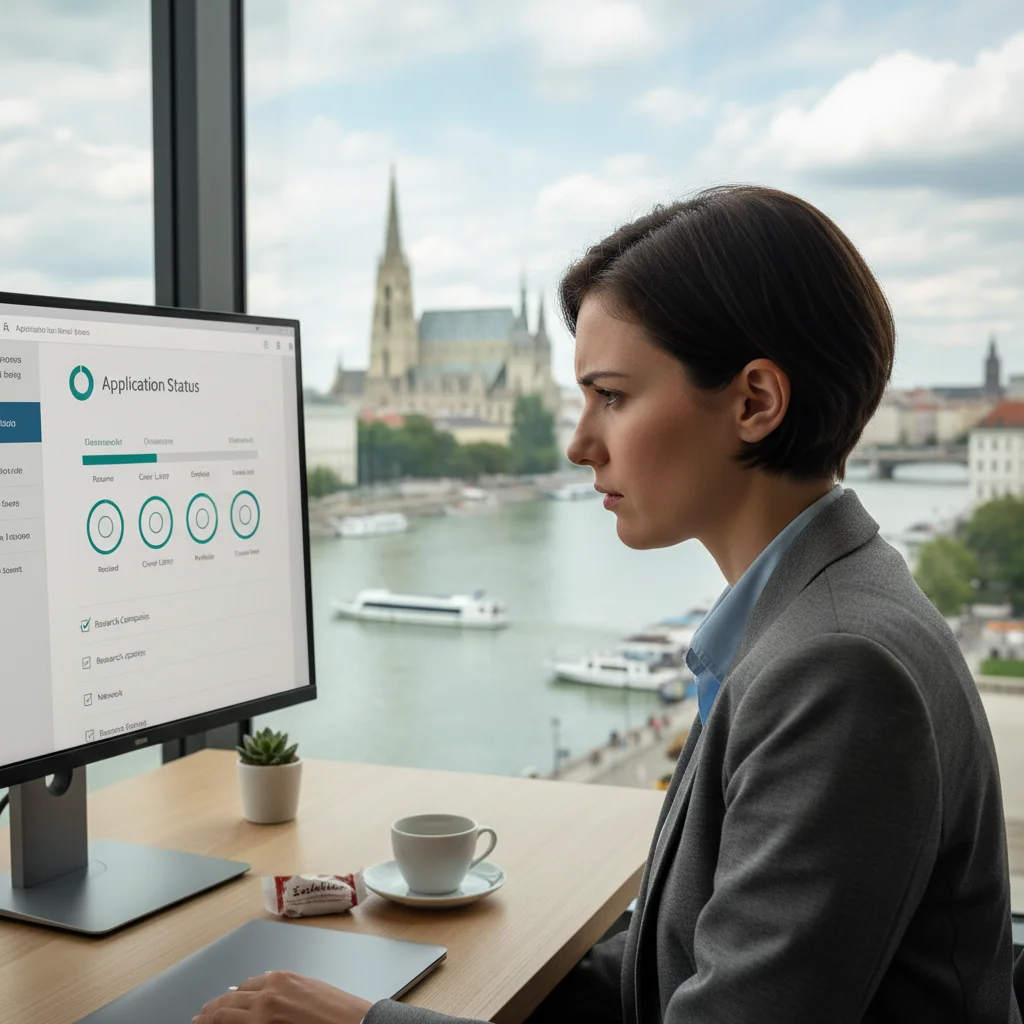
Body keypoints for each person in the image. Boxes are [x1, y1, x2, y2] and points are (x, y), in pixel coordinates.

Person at [192, 185, 1022, 1023]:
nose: (578, 442)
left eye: (612, 397)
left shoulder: (837, 666)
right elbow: (675, 970)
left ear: (755, 403)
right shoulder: (811, 610)